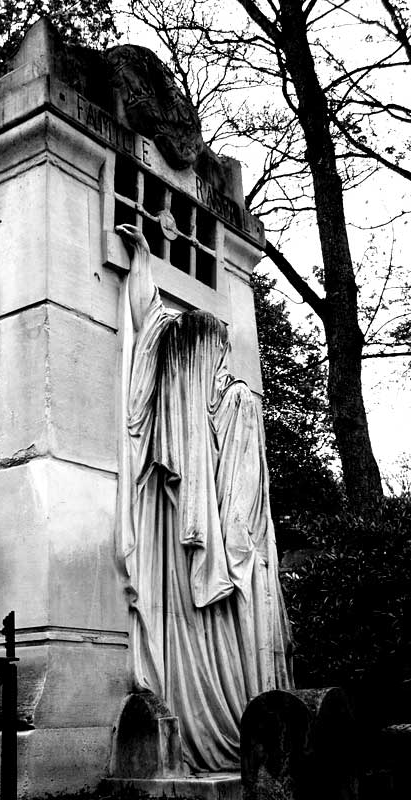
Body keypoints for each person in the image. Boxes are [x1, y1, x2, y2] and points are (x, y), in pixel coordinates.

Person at [115, 223, 293, 772]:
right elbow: (150, 330)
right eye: (216, 355)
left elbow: (242, 516)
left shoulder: (237, 404)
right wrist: (143, 261)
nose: (223, 365)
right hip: (198, 550)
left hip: (218, 558)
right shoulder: (193, 404)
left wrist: (234, 556)